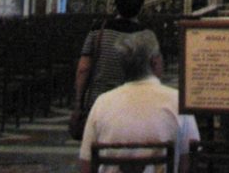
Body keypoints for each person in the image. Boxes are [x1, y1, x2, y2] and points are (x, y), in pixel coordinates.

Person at [79, 29, 199, 173]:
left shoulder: (102, 103)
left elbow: (86, 164)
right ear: (155, 62)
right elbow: (188, 162)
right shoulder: (178, 101)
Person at [73, 0, 145, 118]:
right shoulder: (146, 36)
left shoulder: (98, 30)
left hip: (98, 101)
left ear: (115, 3)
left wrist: (78, 102)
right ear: (141, 7)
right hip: (131, 104)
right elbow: (154, 73)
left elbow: (83, 69)